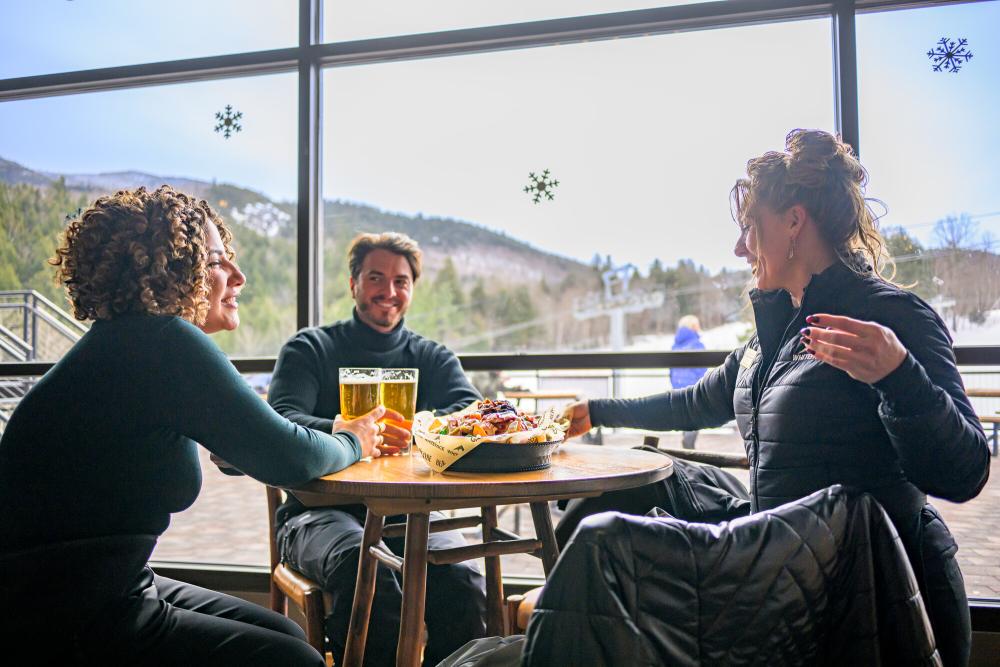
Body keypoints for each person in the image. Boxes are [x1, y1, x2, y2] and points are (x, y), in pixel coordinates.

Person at [559, 129, 989, 666]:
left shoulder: (893, 318)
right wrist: (594, 412)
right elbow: (692, 404)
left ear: (793, 221)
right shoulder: (768, 341)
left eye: (749, 228)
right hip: (779, 568)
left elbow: (966, 471)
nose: (740, 248)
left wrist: (899, 376)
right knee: (619, 491)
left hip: (863, 589)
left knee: (606, 544)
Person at [0, 186, 390, 666]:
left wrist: (242, 440)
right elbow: (292, 456)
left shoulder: (131, 342)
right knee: (295, 658)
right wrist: (353, 439)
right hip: (61, 610)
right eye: (216, 262)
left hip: (94, 583)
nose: (238, 275)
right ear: (170, 271)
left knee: (284, 630)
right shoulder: (164, 341)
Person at [267, 232, 487, 666]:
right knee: (371, 574)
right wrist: (342, 428)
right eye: (376, 278)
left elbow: (471, 411)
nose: (389, 291)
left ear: (412, 289)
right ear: (353, 284)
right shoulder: (310, 348)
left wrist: (420, 428)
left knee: (462, 583)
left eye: (401, 281)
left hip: (411, 511)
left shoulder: (431, 356)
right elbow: (281, 419)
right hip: (316, 513)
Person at [669, 314, 708, 449]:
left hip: (677, 386)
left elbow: (671, 368)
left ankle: (687, 443)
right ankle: (689, 447)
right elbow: (702, 368)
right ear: (692, 326)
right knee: (695, 418)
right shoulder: (697, 344)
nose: (699, 327)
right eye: (697, 324)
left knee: (685, 417)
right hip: (693, 386)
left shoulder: (675, 344)